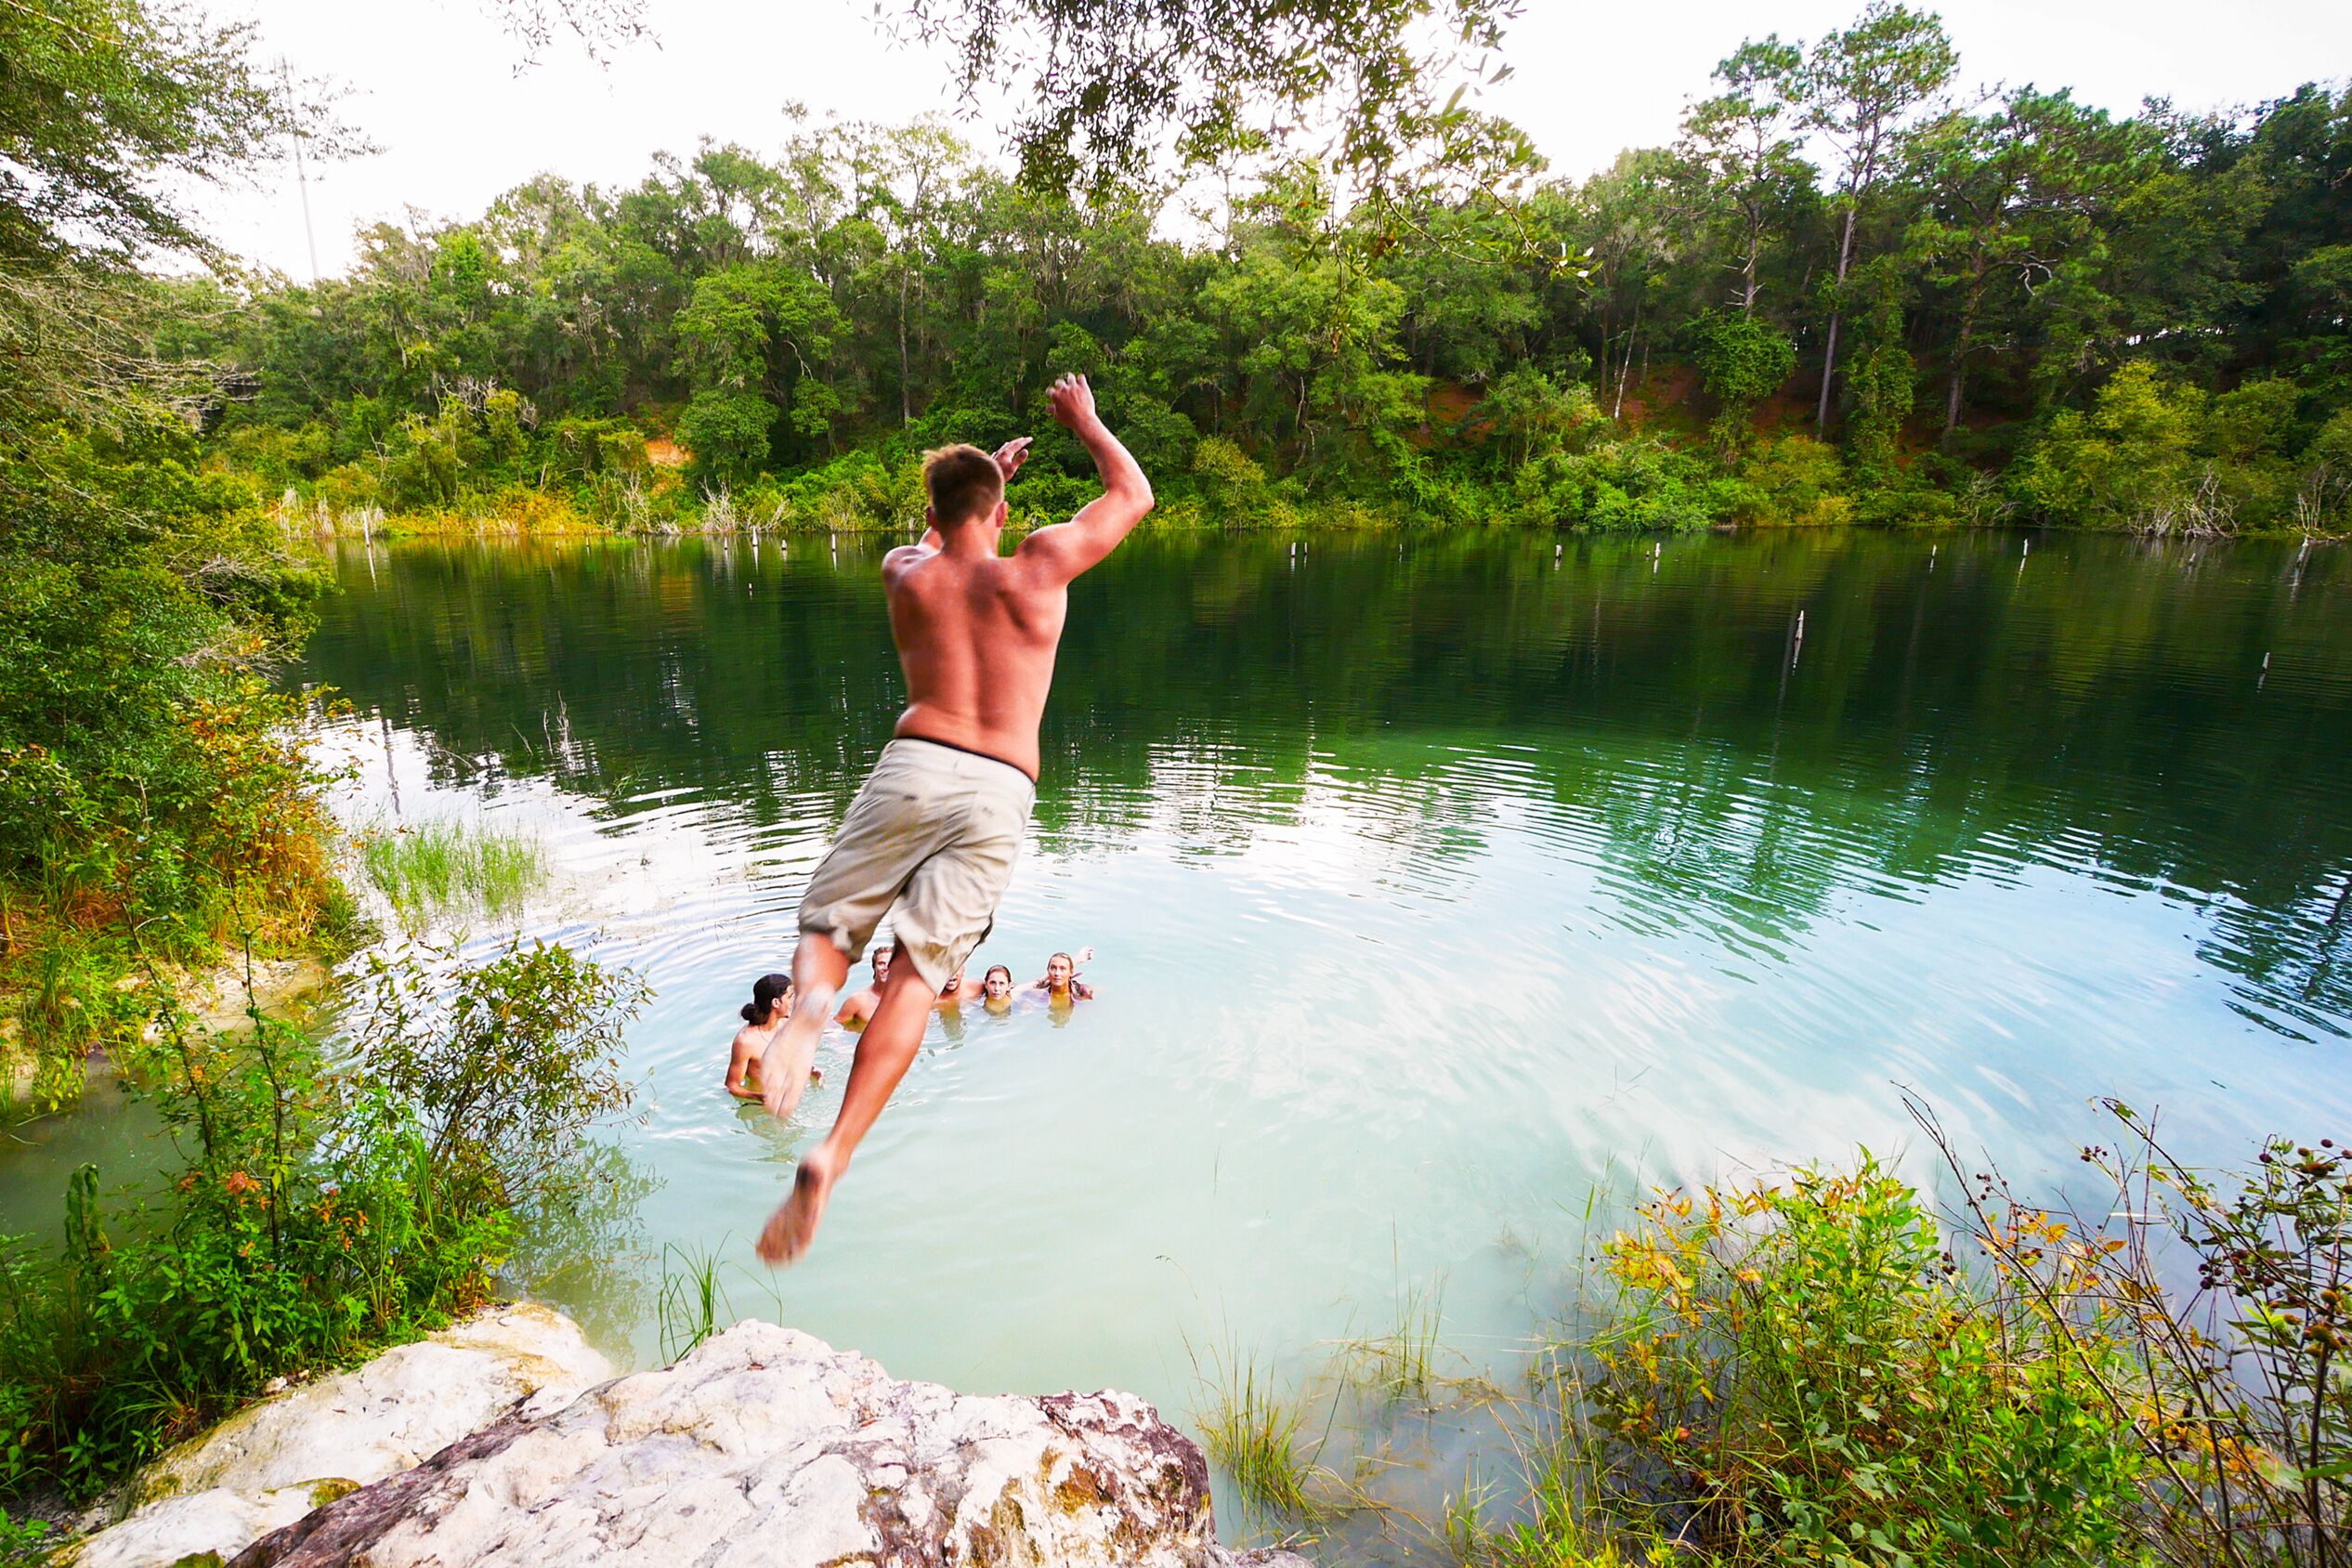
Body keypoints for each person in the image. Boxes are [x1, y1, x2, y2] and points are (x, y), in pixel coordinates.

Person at [754, 372, 1153, 1264]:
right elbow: (1133, 495)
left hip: (918, 760)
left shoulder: (907, 573)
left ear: (933, 512)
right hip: (1003, 786)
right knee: (919, 979)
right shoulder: (1042, 565)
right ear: (1003, 512)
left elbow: (932, 544)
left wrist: (967, 501)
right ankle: (835, 1152)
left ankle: (812, 1010)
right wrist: (1085, 423)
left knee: (831, 926)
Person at [725, 973, 794, 1100]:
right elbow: (732, 1086)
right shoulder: (745, 1042)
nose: (793, 1002)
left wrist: (811, 1070)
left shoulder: (784, 1024)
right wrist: (760, 1097)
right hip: (763, 1107)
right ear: (776, 1002)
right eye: (790, 997)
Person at [833, 946, 894, 1028]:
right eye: (881, 963)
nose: (886, 968)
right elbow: (835, 1031)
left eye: (890, 964)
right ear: (874, 967)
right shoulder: (857, 1000)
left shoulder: (906, 999)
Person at [1026, 947, 1096, 1002]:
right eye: (1053, 968)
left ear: (1071, 972)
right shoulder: (1037, 995)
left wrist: (1078, 960)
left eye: (1062, 969)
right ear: (1048, 971)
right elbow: (1017, 991)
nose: (1057, 973)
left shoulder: (1084, 992)